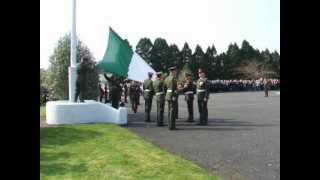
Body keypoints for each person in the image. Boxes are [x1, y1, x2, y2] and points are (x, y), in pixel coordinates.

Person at [164, 66, 179, 130]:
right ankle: (172, 126)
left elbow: (164, 88)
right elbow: (173, 88)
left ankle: (169, 125)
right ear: (173, 71)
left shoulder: (166, 78)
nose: (176, 72)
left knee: (169, 111)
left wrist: (167, 94)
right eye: (175, 71)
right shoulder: (173, 78)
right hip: (172, 96)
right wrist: (173, 96)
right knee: (172, 111)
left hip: (168, 95)